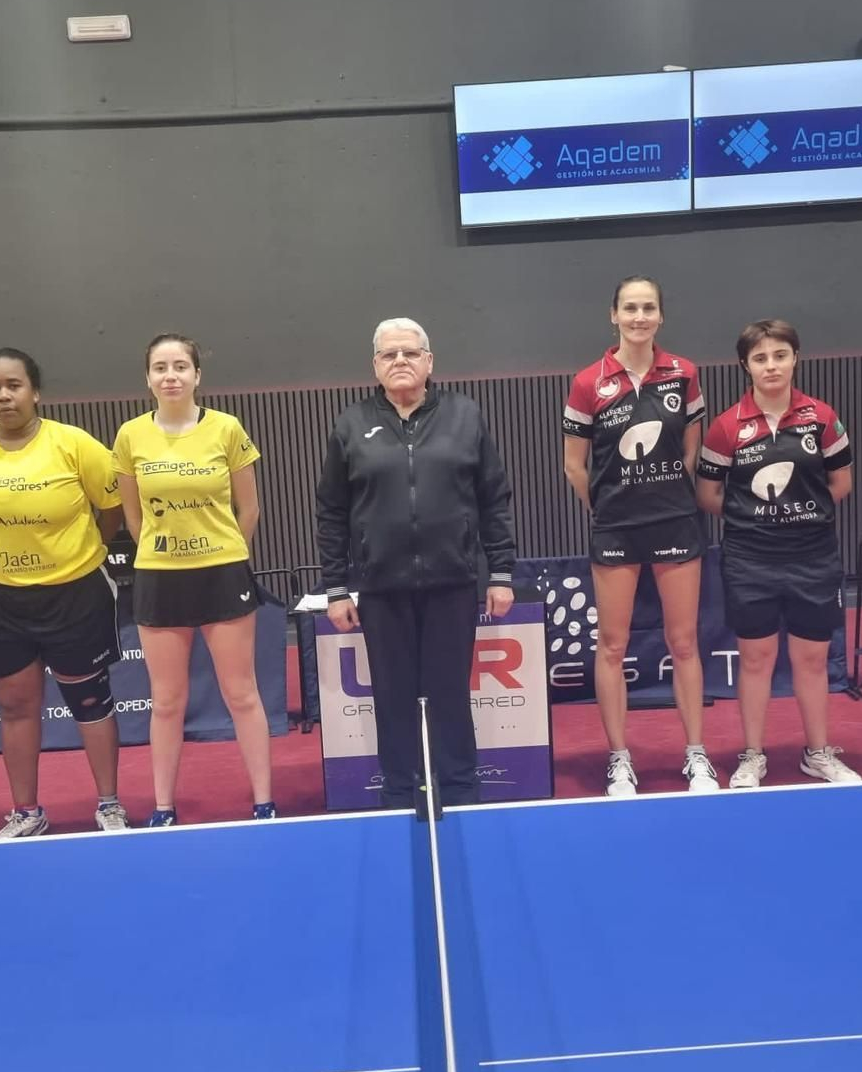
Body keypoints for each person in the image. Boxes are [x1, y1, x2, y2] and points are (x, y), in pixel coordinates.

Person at [315, 318, 516, 808]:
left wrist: (502, 572)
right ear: (375, 366)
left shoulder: (466, 415)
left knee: (450, 696)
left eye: (410, 353)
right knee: (392, 698)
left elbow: (493, 498)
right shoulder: (351, 423)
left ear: (429, 362)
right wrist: (337, 587)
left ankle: (462, 790)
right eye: (389, 355)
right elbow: (331, 511)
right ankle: (402, 792)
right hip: (382, 588)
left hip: (453, 582)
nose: (399, 361)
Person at [0, 348, 128, 836]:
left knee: (90, 702)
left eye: (14, 385)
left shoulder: (75, 445)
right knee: (16, 707)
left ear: (35, 391)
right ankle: (27, 812)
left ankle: (109, 805)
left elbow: (110, 509)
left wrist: (78, 553)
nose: (4, 396)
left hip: (74, 596)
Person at [113, 334, 275, 825]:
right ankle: (163, 807)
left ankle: (264, 802)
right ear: (148, 378)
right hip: (160, 579)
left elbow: (249, 508)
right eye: (160, 367)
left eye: (180, 366)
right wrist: (166, 552)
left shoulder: (226, 429)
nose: (171, 375)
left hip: (222, 574)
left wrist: (222, 550)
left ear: (197, 375)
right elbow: (134, 518)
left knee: (241, 693)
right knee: (166, 701)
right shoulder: (130, 436)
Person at [562, 276, 713, 796]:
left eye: (649, 308)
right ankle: (620, 759)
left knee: (685, 642)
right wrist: (607, 507)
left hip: (674, 522)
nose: (639, 317)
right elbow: (575, 466)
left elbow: (690, 451)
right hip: (616, 528)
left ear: (660, 317)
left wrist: (667, 494)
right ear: (614, 315)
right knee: (612, 644)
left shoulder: (684, 375)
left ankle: (696, 754)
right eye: (630, 308)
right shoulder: (588, 383)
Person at [697, 320, 862, 789]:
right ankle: (752, 755)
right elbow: (708, 494)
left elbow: (841, 484)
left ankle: (818, 753)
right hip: (750, 560)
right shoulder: (727, 426)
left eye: (780, 355)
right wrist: (752, 521)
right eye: (761, 358)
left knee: (812, 660)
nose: (771, 366)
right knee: (756, 659)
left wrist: (797, 517)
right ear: (745, 365)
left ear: (795, 358)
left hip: (813, 556)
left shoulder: (823, 417)